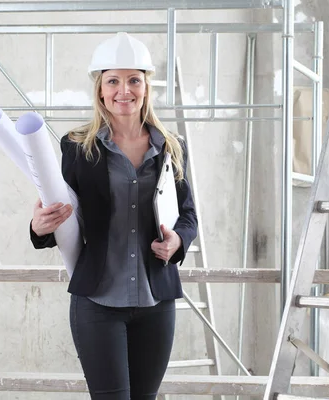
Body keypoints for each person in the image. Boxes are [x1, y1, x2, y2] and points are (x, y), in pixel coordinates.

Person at [29, 32, 197, 399]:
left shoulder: (171, 146)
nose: (125, 90)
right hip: (97, 304)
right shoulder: (77, 147)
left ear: (146, 87)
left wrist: (178, 240)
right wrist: (38, 227)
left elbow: (188, 217)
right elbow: (58, 210)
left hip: (157, 303)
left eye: (134, 80)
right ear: (101, 90)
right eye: (113, 81)